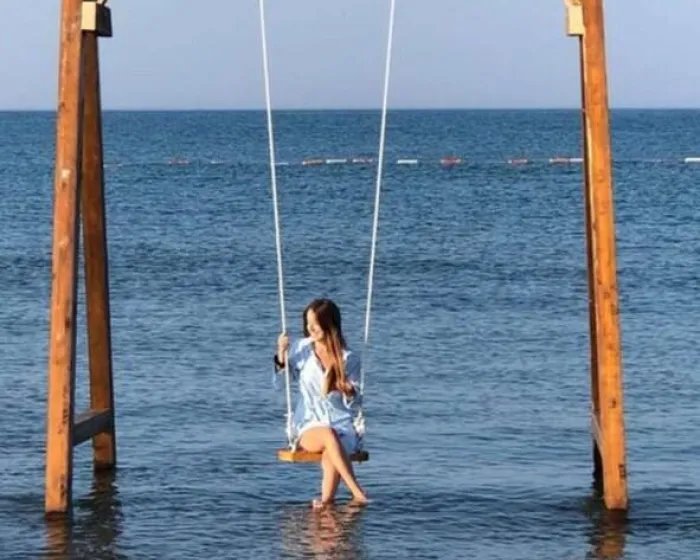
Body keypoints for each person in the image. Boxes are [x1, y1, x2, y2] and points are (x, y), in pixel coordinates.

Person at [274, 298, 369, 508]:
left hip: (342, 427)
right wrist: (281, 356)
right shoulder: (300, 349)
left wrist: (346, 389)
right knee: (327, 434)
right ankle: (357, 492)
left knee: (330, 454)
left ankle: (325, 505)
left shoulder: (349, 358)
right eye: (308, 323)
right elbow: (280, 386)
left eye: (315, 324)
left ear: (329, 324)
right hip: (309, 426)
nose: (310, 328)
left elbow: (356, 403)